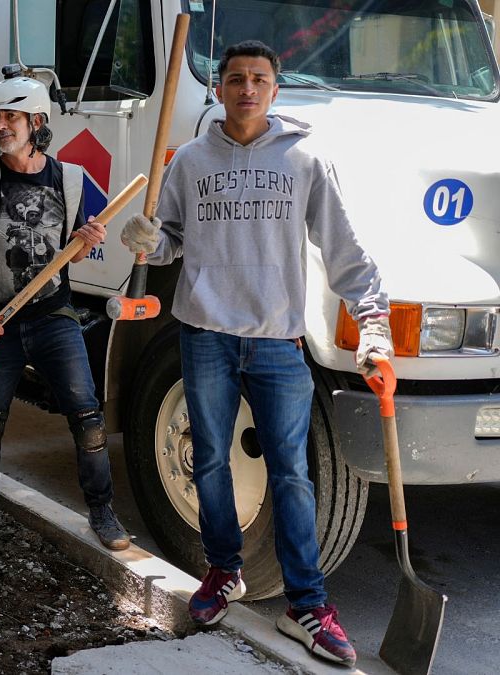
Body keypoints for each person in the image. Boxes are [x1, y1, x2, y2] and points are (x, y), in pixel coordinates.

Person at [119, 41, 392, 667]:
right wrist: (147, 240)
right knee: (210, 461)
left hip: (275, 340)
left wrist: (373, 323)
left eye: (259, 79)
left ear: (275, 90)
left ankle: (307, 606)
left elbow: (345, 251)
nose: (247, 88)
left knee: (292, 474)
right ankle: (224, 570)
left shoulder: (305, 159)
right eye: (236, 78)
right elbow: (170, 246)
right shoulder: (188, 161)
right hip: (205, 334)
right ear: (218, 89)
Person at [0, 70, 130, 565]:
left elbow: (72, 255)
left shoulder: (71, 179)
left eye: (11, 116)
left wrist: (86, 245)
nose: (1, 126)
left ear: (37, 121)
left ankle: (101, 511)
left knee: (87, 417)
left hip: (54, 316)